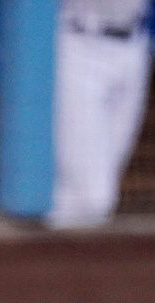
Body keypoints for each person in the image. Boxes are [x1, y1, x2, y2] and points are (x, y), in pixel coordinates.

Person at [47, 0, 153, 229]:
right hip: (79, 42)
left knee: (94, 194)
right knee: (93, 197)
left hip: (133, 46)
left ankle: (56, 260)